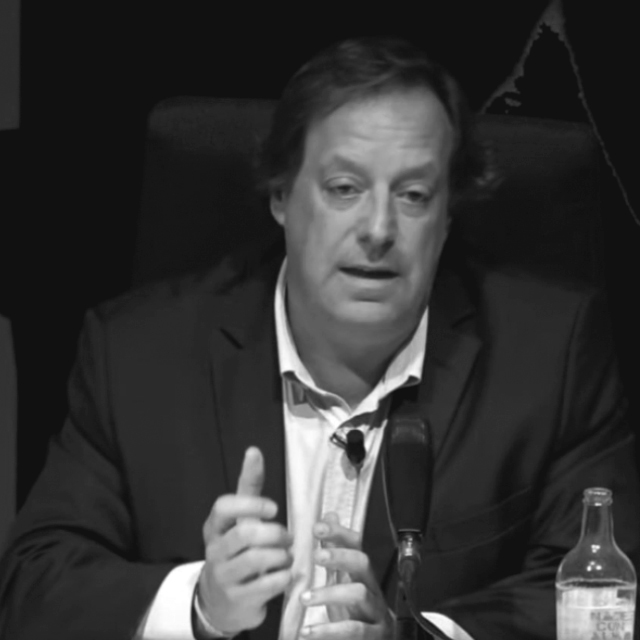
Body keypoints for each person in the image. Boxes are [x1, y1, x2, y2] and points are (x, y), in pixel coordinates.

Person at [1, 36, 639, 640]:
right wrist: (201, 604)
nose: (379, 229)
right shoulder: (137, 356)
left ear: (448, 216)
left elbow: (608, 594)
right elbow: (33, 585)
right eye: (344, 189)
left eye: (414, 195)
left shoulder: (549, 357)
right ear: (281, 194)